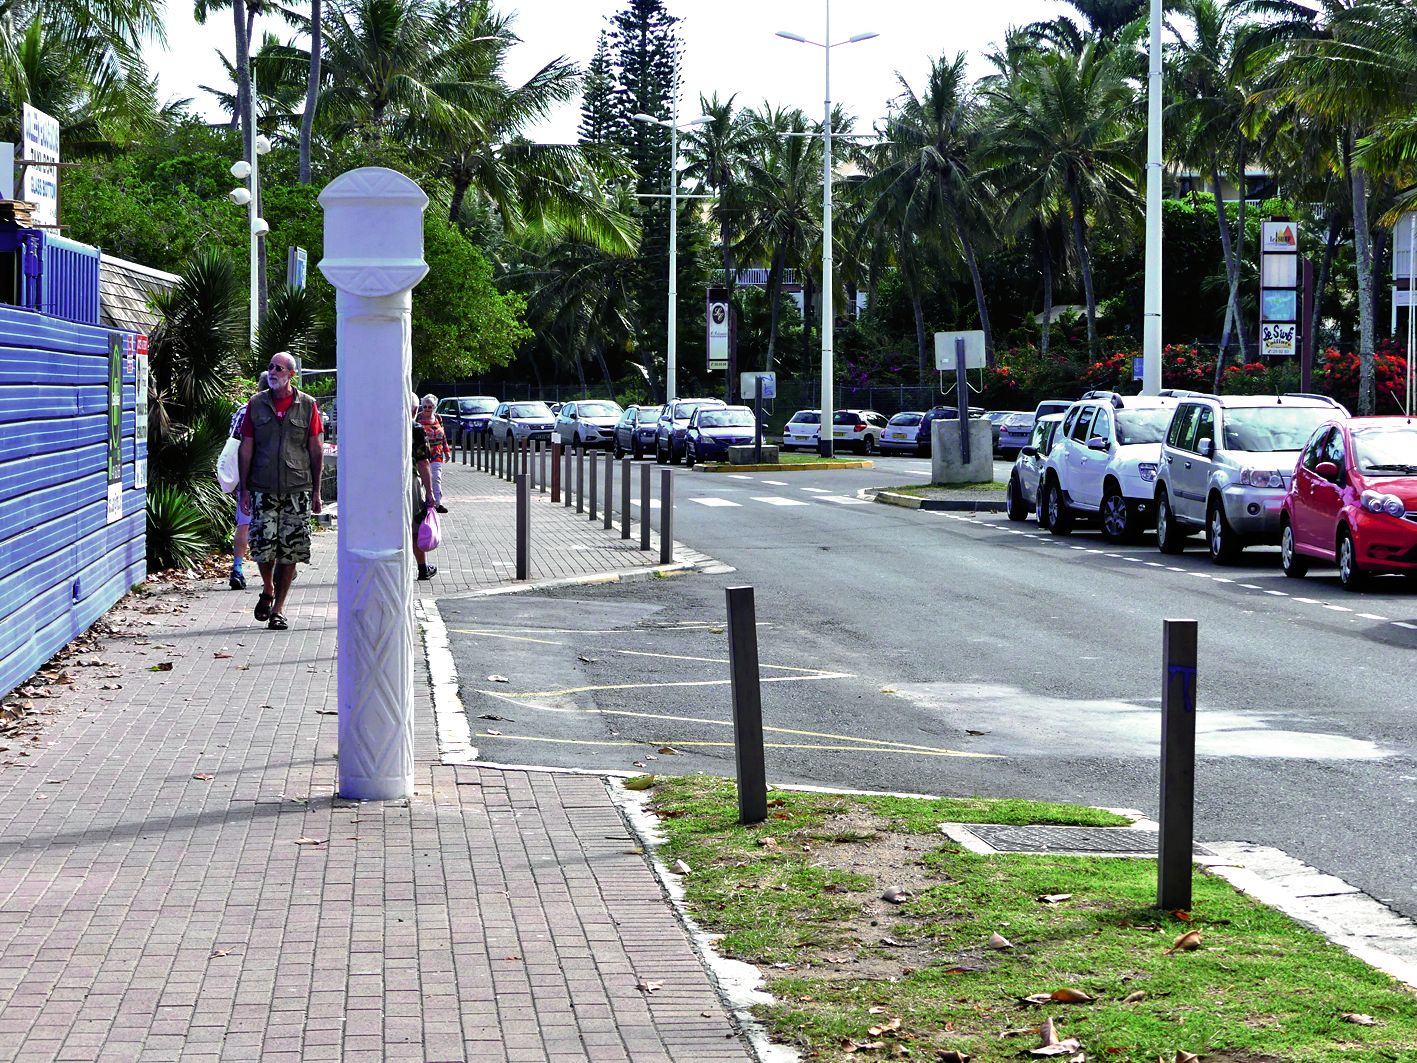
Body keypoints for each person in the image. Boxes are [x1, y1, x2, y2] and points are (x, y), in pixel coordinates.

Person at [237, 352, 323, 630]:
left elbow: (315, 449)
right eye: (270, 368)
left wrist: (317, 491)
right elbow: (246, 446)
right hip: (262, 486)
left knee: (292, 551)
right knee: (263, 547)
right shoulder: (256, 405)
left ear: (291, 374)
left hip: (297, 488)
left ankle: (280, 608)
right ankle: (268, 587)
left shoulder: (307, 406)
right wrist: (244, 488)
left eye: (279, 368)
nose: (273, 372)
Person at [225, 372, 268, 590]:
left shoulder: (242, 411)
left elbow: (232, 442)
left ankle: (238, 568)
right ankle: (276, 569)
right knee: (270, 523)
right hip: (266, 474)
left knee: (244, 522)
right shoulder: (268, 411)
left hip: (245, 476)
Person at [411, 393, 437, 581]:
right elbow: (423, 462)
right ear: (414, 409)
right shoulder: (416, 429)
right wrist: (430, 492)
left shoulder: (383, 425)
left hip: (383, 482)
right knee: (415, 526)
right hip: (408, 481)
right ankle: (422, 568)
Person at [416, 394, 451, 513]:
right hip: (422, 453)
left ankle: (438, 503)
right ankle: (422, 501)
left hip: (437, 453)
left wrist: (447, 451)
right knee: (422, 479)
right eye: (424, 406)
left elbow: (443, 436)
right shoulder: (418, 419)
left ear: (434, 407)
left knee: (436, 478)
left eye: (429, 407)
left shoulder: (438, 418)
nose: (427, 409)